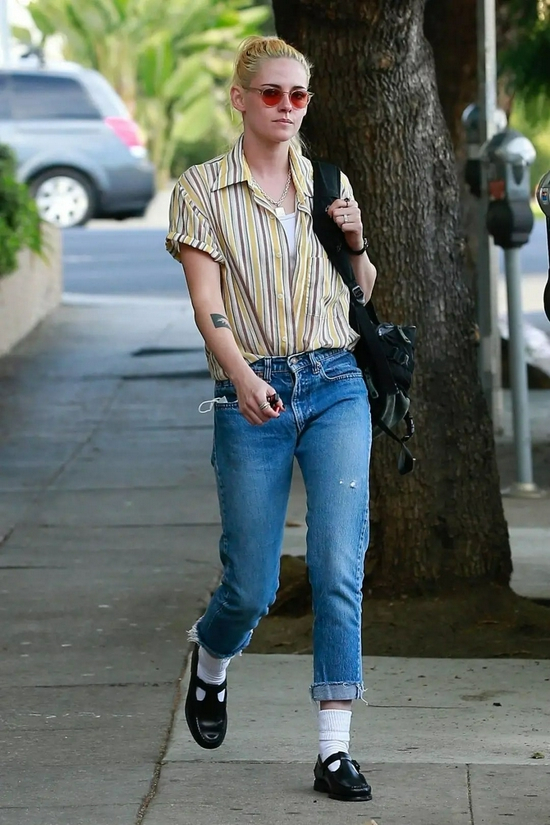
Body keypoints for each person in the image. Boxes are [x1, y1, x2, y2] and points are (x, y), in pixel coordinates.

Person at [165, 35, 377, 802]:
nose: (287, 107)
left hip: (336, 381)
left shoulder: (328, 181)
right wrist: (243, 376)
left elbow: (361, 288)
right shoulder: (201, 190)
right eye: (272, 93)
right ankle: (213, 659)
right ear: (240, 99)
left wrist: (355, 240)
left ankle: (333, 751)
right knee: (252, 585)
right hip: (251, 387)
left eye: (299, 95)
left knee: (337, 564)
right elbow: (207, 304)